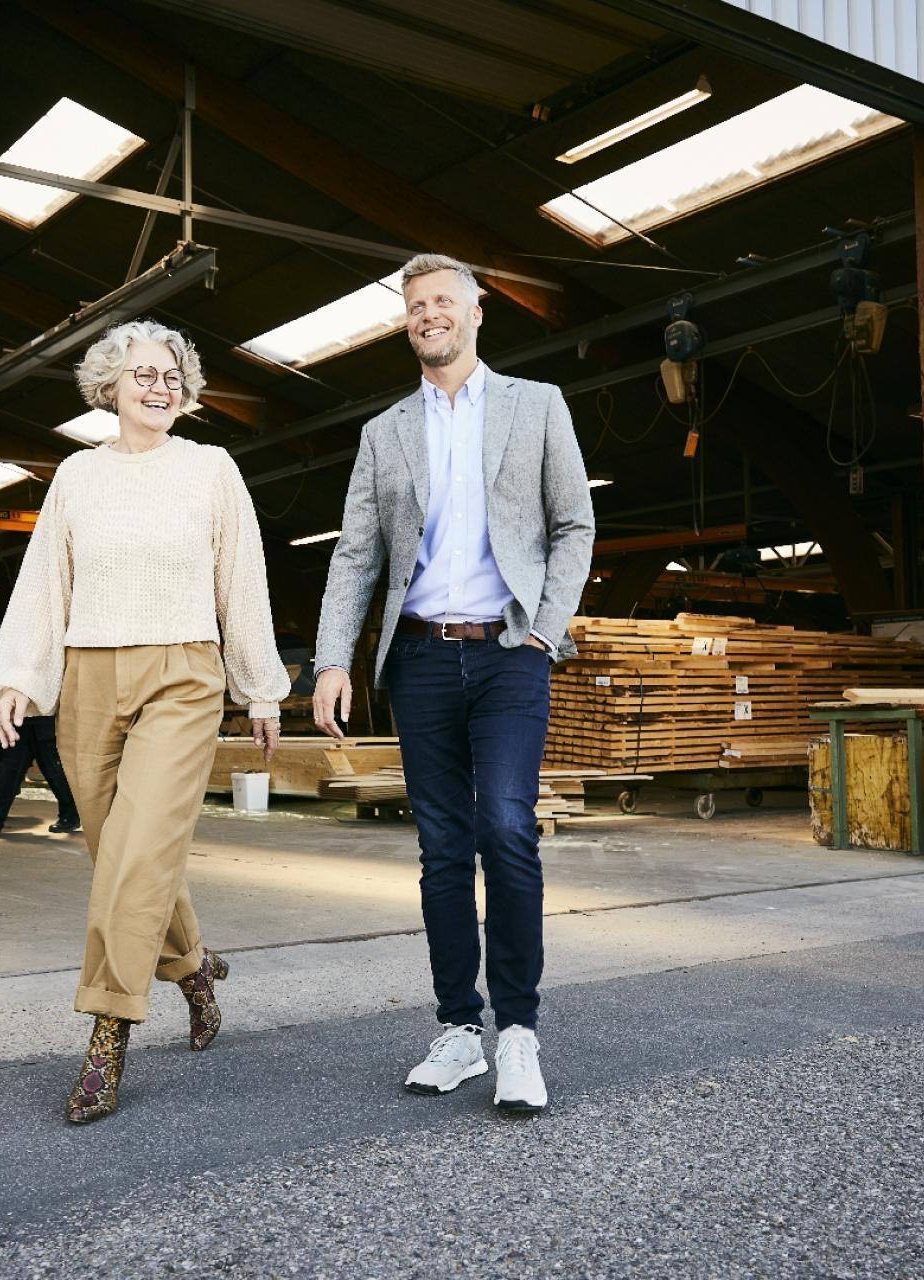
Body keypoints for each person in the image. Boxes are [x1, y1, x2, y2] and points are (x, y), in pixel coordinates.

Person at [0, 319, 287, 1124]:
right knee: (123, 856)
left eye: (172, 373)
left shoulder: (211, 469)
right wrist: (18, 677)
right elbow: (46, 580)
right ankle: (192, 968)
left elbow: (241, 579)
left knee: (139, 852)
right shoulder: (78, 477)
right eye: (142, 373)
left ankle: (107, 1036)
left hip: (184, 673)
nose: (159, 386)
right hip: (88, 674)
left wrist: (260, 687)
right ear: (109, 387)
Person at [312, 253, 595, 1114]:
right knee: (441, 849)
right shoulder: (384, 430)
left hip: (511, 649)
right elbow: (357, 552)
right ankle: (458, 1029)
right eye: (415, 305)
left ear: (478, 313)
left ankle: (518, 1032)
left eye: (443, 301)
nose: (429, 314)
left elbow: (575, 523)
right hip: (423, 659)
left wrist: (545, 627)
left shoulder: (536, 405)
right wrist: (331, 659)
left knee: (506, 828)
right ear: (407, 323)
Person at [0, 714, 81, 835]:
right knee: (10, 767)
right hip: (23, 718)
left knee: (52, 769)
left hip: (43, 716)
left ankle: (71, 815)